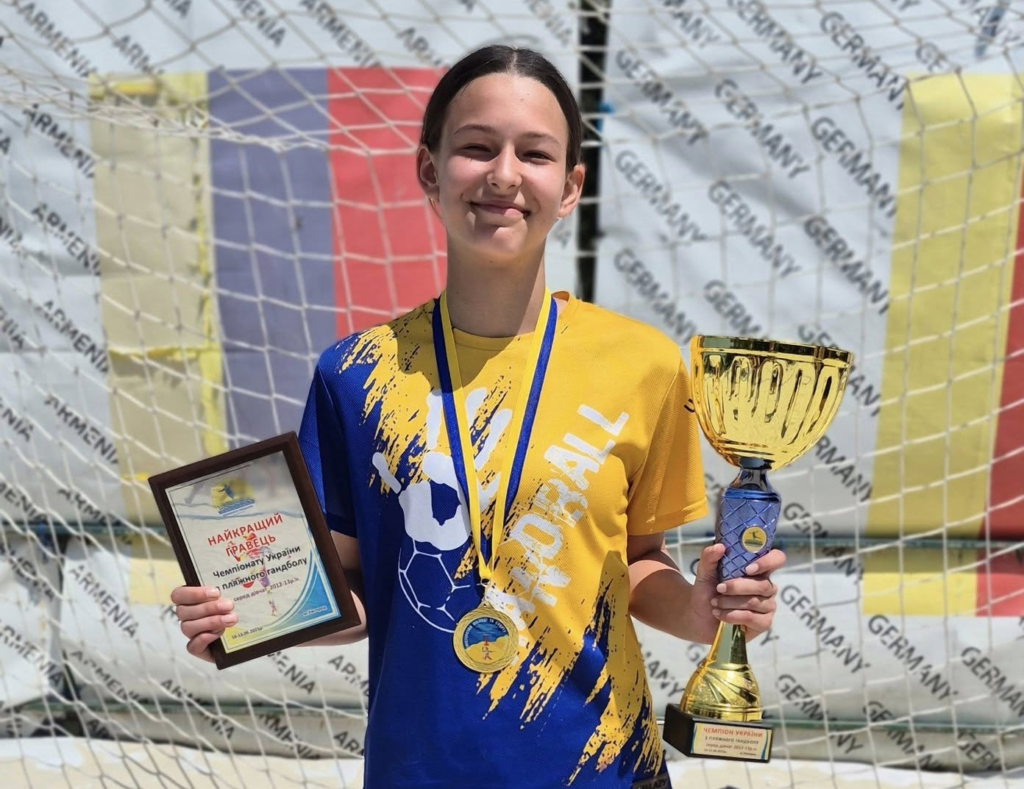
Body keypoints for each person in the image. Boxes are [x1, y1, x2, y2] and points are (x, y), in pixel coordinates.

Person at [170, 45, 785, 789]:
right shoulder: (354, 374)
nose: (504, 174)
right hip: (419, 771)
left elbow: (637, 561)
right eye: (477, 147)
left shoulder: (645, 365)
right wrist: (251, 613)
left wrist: (700, 609)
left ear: (571, 186)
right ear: (430, 171)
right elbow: (351, 588)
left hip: (603, 769)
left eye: (535, 153)